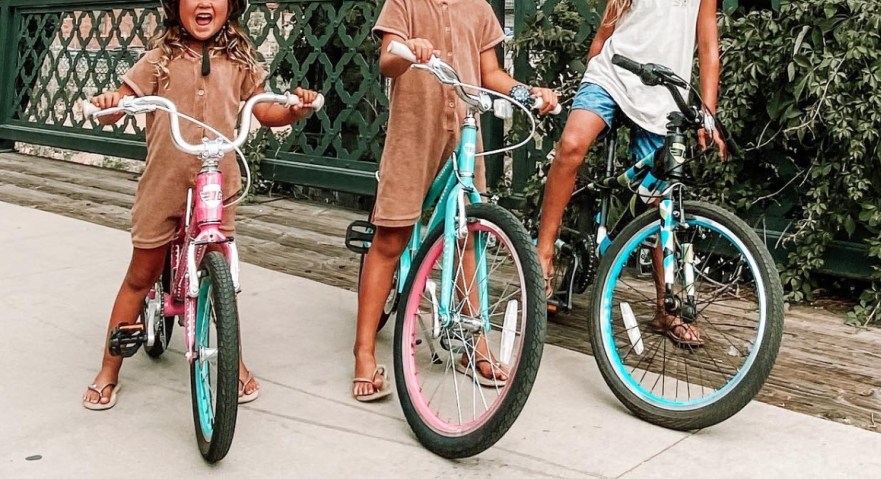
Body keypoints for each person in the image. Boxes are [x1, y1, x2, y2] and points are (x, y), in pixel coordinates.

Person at [82, 0, 320, 410]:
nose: (205, 2)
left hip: (219, 182)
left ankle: (235, 362)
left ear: (232, 6)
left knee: (220, 275)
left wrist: (293, 110)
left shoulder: (242, 61)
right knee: (142, 275)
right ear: (176, 6)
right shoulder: (158, 60)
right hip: (165, 181)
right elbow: (122, 103)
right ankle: (108, 369)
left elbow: (263, 109)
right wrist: (109, 106)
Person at [353, 0, 559, 401]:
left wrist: (525, 92)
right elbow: (387, 61)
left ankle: (473, 343)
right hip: (413, 135)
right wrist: (409, 51)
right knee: (391, 237)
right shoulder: (404, 3)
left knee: (468, 234)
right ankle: (363, 350)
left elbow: (491, 73)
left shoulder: (479, 9)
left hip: (464, 134)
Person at [536, 0, 727, 347]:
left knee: (659, 200)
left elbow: (709, 45)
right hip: (613, 72)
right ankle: (543, 254)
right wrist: (584, 87)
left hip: (664, 91)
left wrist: (708, 113)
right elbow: (604, 33)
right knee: (572, 145)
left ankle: (665, 307)